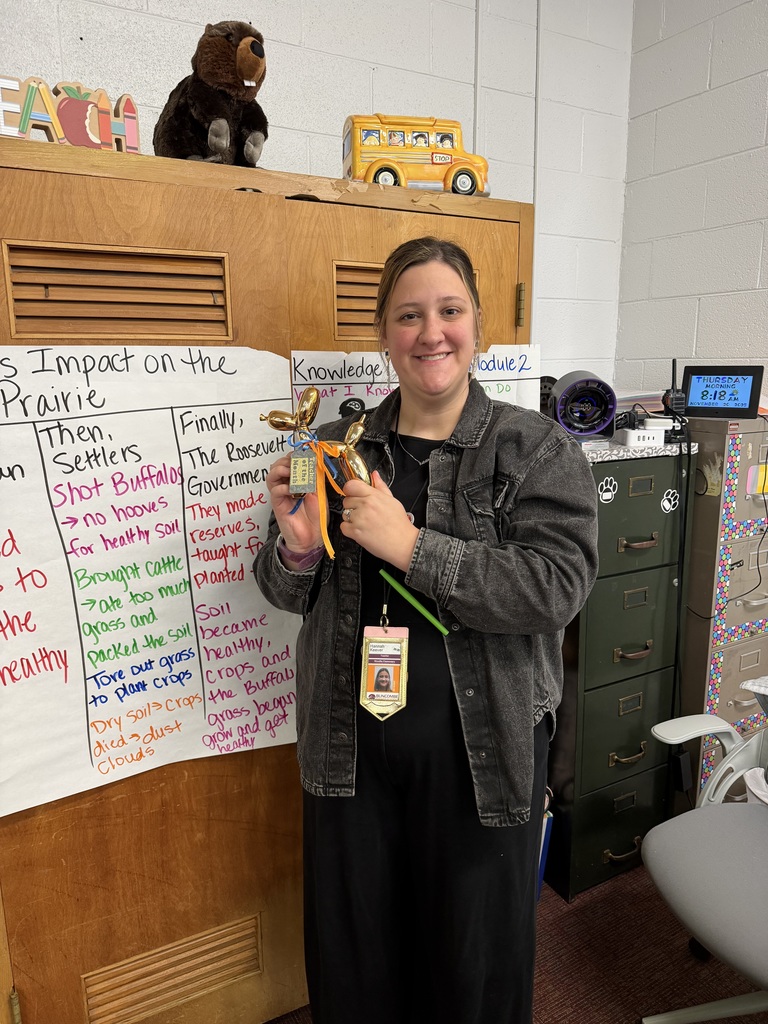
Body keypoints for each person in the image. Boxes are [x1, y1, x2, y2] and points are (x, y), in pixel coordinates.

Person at [254, 236, 599, 1024]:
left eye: (449, 311)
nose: (430, 332)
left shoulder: (534, 449)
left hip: (484, 765)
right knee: (357, 966)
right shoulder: (342, 447)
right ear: (384, 334)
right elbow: (281, 588)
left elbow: (557, 588)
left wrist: (410, 545)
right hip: (351, 763)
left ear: (478, 325)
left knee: (471, 974)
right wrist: (301, 548)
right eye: (409, 316)